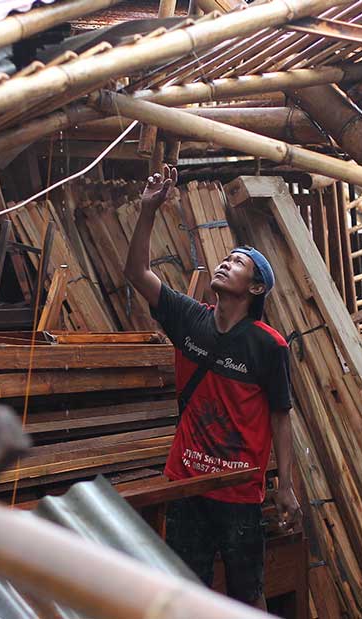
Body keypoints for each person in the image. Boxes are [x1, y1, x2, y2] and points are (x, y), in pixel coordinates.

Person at [123, 165, 298, 608]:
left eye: (238, 262)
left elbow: (282, 417)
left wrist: (286, 486)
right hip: (185, 484)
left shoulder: (268, 345)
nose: (225, 262)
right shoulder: (189, 318)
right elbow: (136, 273)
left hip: (238, 490)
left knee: (246, 594)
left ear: (256, 287)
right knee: (187, 595)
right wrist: (147, 211)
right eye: (227, 258)